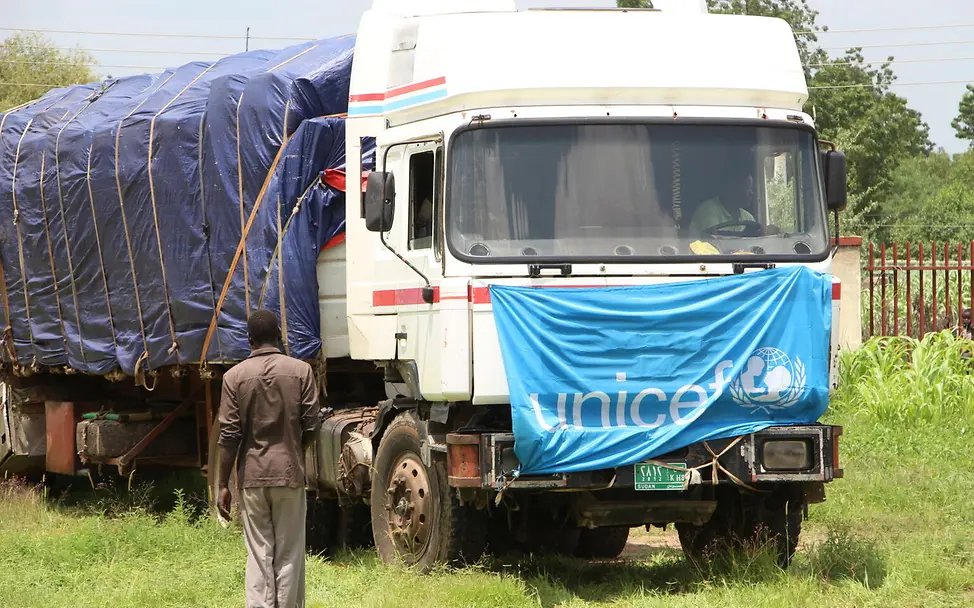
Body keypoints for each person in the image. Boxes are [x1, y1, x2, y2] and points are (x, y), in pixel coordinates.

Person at [217, 309, 321, 608]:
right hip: (289, 473)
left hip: (251, 477)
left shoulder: (233, 377)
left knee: (259, 555)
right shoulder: (301, 371)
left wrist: (223, 484)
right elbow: (312, 425)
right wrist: (296, 452)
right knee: (289, 555)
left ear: (249, 340)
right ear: (279, 336)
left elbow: (229, 435)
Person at [689, 169, 756, 235]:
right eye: (747, 188)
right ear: (732, 190)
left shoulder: (748, 218)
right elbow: (712, 242)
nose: (751, 193)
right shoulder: (707, 210)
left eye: (751, 189)